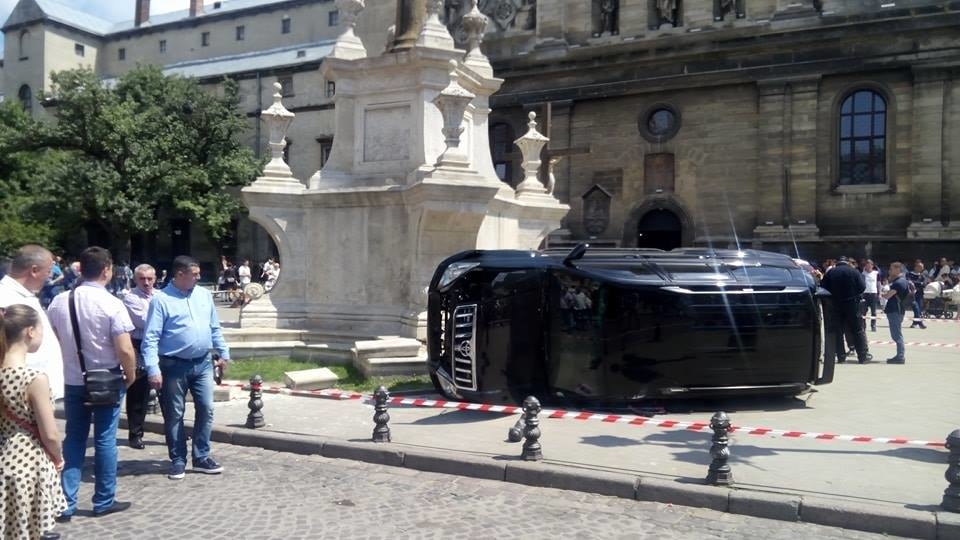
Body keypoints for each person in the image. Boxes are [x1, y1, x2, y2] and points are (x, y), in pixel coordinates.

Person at [47, 246, 137, 519]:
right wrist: (130, 375)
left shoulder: (60, 301)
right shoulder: (111, 303)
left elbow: (55, 337)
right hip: (107, 378)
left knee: (74, 438)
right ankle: (103, 499)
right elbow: (124, 349)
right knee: (105, 439)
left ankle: (65, 502)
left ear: (80, 269)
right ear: (107, 269)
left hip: (74, 379)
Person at [142, 255, 230, 481]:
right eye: (195, 274)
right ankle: (178, 459)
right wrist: (153, 369)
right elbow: (150, 337)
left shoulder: (203, 295)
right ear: (180, 274)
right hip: (173, 365)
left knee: (207, 408)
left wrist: (223, 352)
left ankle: (201, 456)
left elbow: (214, 326)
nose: (199, 277)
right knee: (174, 414)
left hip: (202, 362)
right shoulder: (161, 300)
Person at [0, 304, 67, 539]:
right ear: (30, 331)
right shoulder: (33, 378)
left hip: (4, 456)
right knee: (30, 531)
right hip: (29, 463)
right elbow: (50, 434)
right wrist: (58, 456)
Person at [0, 245, 65, 400]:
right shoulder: (5, 298)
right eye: (48, 271)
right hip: (18, 396)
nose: (50, 276)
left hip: (34, 393)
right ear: (34, 270)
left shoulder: (23, 296)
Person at [122, 264, 160, 450]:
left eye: (150, 278)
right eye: (142, 279)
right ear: (135, 279)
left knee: (168, 392)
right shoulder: (131, 298)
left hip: (160, 346)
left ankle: (173, 431)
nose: (146, 282)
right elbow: (145, 322)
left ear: (155, 278)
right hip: (139, 346)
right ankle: (135, 434)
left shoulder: (161, 296)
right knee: (138, 393)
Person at [819, 256, 870, 364]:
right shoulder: (854, 272)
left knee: (838, 331)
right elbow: (862, 287)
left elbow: (823, 288)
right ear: (847, 263)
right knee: (857, 330)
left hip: (835, 304)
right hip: (852, 304)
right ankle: (862, 356)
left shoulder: (831, 273)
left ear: (837, 263)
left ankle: (841, 356)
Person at [882, 262, 910, 364]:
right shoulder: (902, 281)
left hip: (895, 310)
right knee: (897, 334)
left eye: (891, 269)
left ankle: (900, 356)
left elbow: (888, 295)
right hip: (897, 310)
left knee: (897, 335)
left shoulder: (899, 282)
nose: (890, 271)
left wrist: (883, 294)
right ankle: (900, 355)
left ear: (898, 270)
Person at [906, 261, 928, 329]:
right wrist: (919, 283)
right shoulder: (909, 274)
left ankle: (915, 323)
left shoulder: (922, 276)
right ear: (916, 267)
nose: (921, 268)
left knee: (919, 308)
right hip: (912, 294)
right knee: (916, 308)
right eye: (920, 267)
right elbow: (909, 282)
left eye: (922, 267)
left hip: (920, 294)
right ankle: (920, 323)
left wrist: (917, 283)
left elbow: (924, 284)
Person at [861, 259, 879, 332]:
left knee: (874, 312)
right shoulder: (862, 274)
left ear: (872, 265)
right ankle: (863, 326)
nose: (868, 266)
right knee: (863, 311)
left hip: (873, 293)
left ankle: (873, 325)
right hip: (865, 294)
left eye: (870, 265)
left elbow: (879, 283)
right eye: (867, 265)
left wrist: (879, 292)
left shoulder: (876, 273)